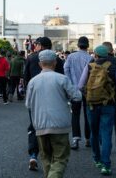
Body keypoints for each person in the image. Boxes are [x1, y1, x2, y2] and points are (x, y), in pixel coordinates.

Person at [25, 50, 82, 178]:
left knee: (46, 160)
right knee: (60, 159)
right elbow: (77, 97)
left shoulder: (33, 82)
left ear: (40, 64)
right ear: (55, 63)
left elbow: (28, 104)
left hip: (40, 126)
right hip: (60, 125)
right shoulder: (62, 79)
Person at [78, 45, 116, 176]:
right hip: (108, 105)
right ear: (107, 55)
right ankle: (106, 165)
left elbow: (80, 85)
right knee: (106, 134)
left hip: (92, 105)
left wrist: (88, 95)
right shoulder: (113, 68)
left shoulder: (89, 67)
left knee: (94, 132)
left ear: (95, 55)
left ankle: (96, 159)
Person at [24, 37, 64, 172]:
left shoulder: (31, 58)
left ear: (41, 45)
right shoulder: (57, 60)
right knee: (53, 126)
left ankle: (33, 155)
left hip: (35, 97)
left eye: (36, 44)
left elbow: (26, 79)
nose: (34, 46)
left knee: (34, 125)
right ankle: (52, 156)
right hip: (54, 98)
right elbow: (62, 78)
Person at [63, 36, 93, 150]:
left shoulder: (71, 56)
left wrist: (70, 83)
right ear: (88, 46)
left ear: (78, 45)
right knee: (87, 114)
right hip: (87, 90)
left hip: (74, 89)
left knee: (75, 114)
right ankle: (88, 139)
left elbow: (66, 69)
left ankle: (75, 139)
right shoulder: (90, 58)